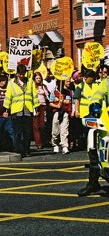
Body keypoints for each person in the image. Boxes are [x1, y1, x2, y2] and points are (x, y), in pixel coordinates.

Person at [76, 68, 108, 197]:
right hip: (106, 118)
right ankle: (93, 183)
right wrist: (95, 103)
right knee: (94, 146)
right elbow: (98, 94)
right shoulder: (106, 83)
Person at [3, 64, 38, 157]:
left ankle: (27, 149)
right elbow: (8, 97)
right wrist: (6, 109)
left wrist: (36, 107)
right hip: (16, 110)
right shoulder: (11, 83)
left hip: (27, 109)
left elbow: (34, 95)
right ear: (17, 73)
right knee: (18, 132)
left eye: (24, 74)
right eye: (20, 74)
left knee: (27, 132)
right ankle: (19, 150)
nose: (22, 76)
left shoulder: (30, 82)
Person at [0, 74, 14, 152]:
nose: (2, 83)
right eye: (1, 81)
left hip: (7, 114)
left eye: (4, 81)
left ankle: (12, 146)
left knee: (10, 131)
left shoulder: (9, 90)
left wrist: (7, 111)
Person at [50, 78, 71, 154]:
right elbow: (50, 102)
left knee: (64, 129)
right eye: (67, 81)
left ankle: (64, 146)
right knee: (55, 130)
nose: (69, 83)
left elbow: (68, 101)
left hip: (64, 112)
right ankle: (55, 144)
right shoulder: (54, 91)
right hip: (56, 112)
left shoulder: (67, 92)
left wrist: (60, 100)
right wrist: (56, 105)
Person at [32, 72, 50, 149]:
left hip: (43, 106)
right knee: (36, 125)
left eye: (39, 78)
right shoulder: (32, 86)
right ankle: (38, 143)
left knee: (43, 125)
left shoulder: (44, 86)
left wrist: (46, 94)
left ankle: (44, 140)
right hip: (35, 106)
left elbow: (48, 97)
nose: (38, 80)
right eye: (37, 78)